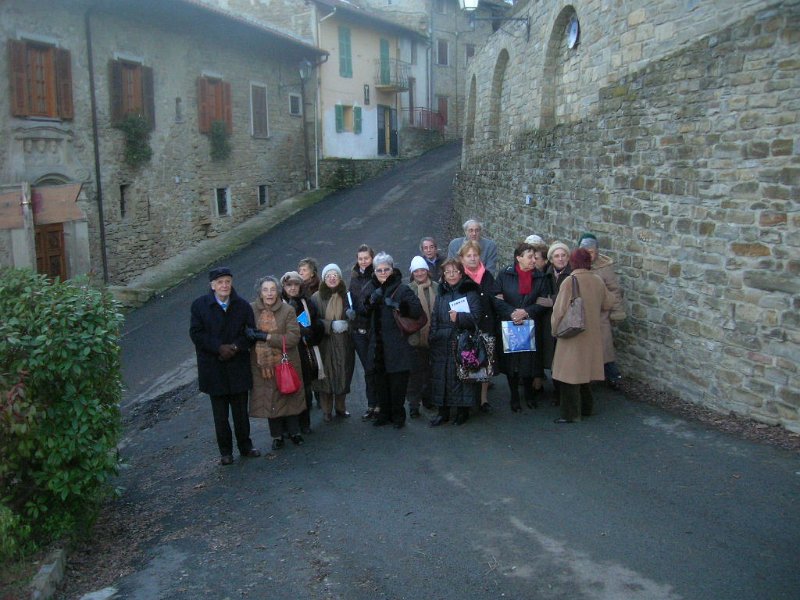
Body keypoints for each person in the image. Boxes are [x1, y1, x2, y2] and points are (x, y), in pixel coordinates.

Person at [189, 267, 261, 465]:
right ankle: (225, 452)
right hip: (214, 368)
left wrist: (236, 346)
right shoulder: (200, 306)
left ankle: (245, 446)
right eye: (220, 282)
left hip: (237, 365)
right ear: (212, 286)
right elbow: (196, 334)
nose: (224, 286)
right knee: (220, 416)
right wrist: (218, 348)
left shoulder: (242, 306)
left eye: (227, 281)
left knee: (240, 413)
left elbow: (250, 332)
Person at [551, 248, 615, 423]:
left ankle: (571, 414)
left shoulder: (569, 281)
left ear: (573, 262)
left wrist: (555, 330)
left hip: (572, 333)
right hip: (592, 333)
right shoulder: (597, 280)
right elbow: (609, 303)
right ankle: (587, 407)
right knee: (585, 373)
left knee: (569, 376)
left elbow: (559, 311)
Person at [361, 252, 423, 429]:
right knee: (380, 382)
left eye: (386, 269)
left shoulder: (402, 289)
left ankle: (398, 415)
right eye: (379, 270)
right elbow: (362, 312)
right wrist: (369, 303)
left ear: (392, 269)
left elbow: (416, 310)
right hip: (377, 345)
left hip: (397, 345)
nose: (382, 273)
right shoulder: (370, 288)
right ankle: (384, 414)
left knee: (397, 384)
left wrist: (396, 305)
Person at [492, 243, 553, 412]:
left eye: (535, 257)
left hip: (530, 325)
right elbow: (496, 298)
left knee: (529, 363)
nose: (534, 260)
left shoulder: (540, 277)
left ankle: (529, 394)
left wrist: (526, 312)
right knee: (512, 363)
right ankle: (514, 397)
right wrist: (512, 313)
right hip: (510, 325)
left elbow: (543, 302)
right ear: (519, 258)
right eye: (530, 256)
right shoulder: (505, 274)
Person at [247, 276, 306, 450]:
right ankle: (277, 436)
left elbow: (293, 337)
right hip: (262, 364)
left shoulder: (287, 310)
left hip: (285, 362)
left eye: (273, 289)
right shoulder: (251, 310)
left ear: (278, 291)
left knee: (289, 395)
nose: (269, 293)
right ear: (260, 292)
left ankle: (295, 432)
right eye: (265, 289)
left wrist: (268, 337)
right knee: (270, 398)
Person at [428, 259, 482, 426]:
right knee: (441, 377)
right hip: (442, 340)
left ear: (461, 273)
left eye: (454, 271)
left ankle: (461, 411)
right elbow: (435, 315)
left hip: (462, 339)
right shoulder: (442, 292)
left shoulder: (469, 291)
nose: (451, 275)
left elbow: (476, 317)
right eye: (447, 272)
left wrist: (459, 318)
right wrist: (434, 334)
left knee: (460, 376)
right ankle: (442, 412)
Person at [577, 233, 626, 389]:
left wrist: (616, 311)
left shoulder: (604, 268)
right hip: (581, 315)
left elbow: (614, 290)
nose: (590, 255)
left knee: (604, 349)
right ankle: (586, 378)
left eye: (592, 252)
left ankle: (613, 377)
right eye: (587, 252)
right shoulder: (576, 265)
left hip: (600, 316)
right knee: (584, 350)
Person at [281, 270, 324, 435]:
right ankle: (289, 426)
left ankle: (304, 423)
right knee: (288, 389)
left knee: (305, 388)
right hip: (287, 351)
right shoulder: (279, 304)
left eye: (295, 285)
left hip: (304, 350)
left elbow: (315, 322)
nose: (292, 288)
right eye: (288, 285)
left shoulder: (306, 302)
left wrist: (312, 331)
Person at [310, 264, 356, 421]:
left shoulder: (347, 296)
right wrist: (330, 325)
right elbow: (312, 321)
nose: (332, 277)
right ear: (324, 278)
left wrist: (349, 321)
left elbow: (355, 317)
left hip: (344, 342)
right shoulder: (316, 297)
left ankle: (341, 408)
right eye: (328, 275)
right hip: (325, 343)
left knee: (343, 373)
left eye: (335, 274)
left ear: (340, 277)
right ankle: (326, 410)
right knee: (326, 377)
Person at [458, 240, 497, 413]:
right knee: (466, 361)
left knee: (485, 361)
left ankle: (483, 399)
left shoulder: (487, 276)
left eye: (475, 255)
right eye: (469, 256)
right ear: (462, 258)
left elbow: (494, 297)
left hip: (486, 324)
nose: (473, 259)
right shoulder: (459, 278)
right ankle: (467, 398)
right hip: (467, 325)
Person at [348, 244, 378, 421]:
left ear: (372, 258)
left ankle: (379, 403)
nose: (363, 261)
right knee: (368, 369)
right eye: (360, 259)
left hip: (373, 328)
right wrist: (348, 310)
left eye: (366, 258)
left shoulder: (376, 275)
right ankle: (371, 404)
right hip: (358, 329)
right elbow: (350, 298)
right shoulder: (354, 277)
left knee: (375, 367)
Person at [406, 256, 439, 416]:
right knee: (415, 374)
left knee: (431, 371)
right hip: (415, 339)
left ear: (427, 271)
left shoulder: (437, 288)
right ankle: (413, 404)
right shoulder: (408, 290)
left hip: (434, 337)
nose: (420, 273)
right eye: (416, 270)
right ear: (412, 273)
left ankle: (429, 399)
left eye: (422, 270)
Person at [544, 241, 571, 405]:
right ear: (551, 259)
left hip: (567, 322)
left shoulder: (572, 275)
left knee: (566, 360)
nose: (560, 259)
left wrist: (551, 301)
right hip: (550, 322)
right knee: (554, 359)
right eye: (557, 256)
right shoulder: (547, 274)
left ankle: (566, 394)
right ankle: (557, 391)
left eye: (563, 255)